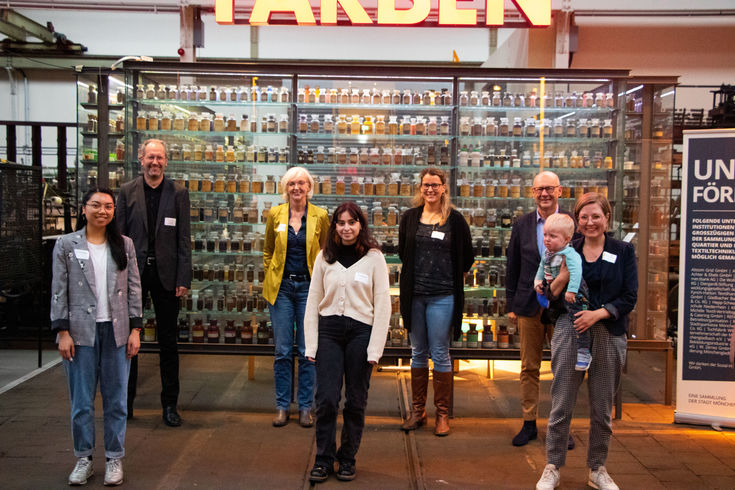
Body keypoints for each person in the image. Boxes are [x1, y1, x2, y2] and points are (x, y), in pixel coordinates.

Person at [536, 193, 638, 490]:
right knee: (561, 403)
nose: (590, 222)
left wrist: (597, 315)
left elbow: (629, 296)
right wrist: (560, 277)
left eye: (596, 216)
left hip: (608, 331)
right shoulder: (567, 249)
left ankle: (597, 469)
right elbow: (549, 295)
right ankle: (552, 466)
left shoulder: (623, 251)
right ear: (576, 221)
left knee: (601, 408)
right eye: (584, 217)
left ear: (607, 218)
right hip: (571, 329)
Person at [51, 188, 142, 486]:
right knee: (81, 401)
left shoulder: (124, 244)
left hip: (116, 332)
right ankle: (84, 458)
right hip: (80, 333)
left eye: (108, 206)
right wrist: (62, 332)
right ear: (83, 208)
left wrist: (135, 329)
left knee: (117, 400)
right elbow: (59, 290)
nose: (102, 211)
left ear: (114, 211)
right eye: (96, 205)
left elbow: (134, 289)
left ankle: (115, 457)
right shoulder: (66, 244)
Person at [304, 202, 391, 483]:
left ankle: (347, 458)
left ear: (361, 225)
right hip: (329, 330)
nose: (346, 228)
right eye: (341, 223)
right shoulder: (324, 257)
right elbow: (312, 302)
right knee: (327, 399)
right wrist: (311, 345)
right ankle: (323, 458)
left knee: (355, 401)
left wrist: (375, 349)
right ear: (334, 227)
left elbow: (383, 305)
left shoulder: (375, 258)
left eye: (352, 222)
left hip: (361, 334)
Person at [117, 139, 191, 427]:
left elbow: (184, 238)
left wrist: (183, 277)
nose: (155, 162)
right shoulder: (126, 191)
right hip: (133, 274)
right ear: (141, 159)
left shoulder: (178, 193)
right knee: (128, 340)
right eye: (150, 157)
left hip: (167, 276)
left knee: (169, 343)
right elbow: (119, 237)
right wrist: (118, 276)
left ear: (166, 161)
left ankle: (170, 405)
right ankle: (126, 403)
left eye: (160, 157)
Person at [399, 167, 474, 437]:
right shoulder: (409, 218)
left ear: (444, 188)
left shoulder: (455, 220)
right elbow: (402, 252)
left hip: (443, 296)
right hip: (415, 296)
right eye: (426, 185)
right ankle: (417, 411)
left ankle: (442, 414)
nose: (430, 189)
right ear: (420, 188)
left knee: (440, 353)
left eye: (435, 185)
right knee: (418, 351)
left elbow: (467, 257)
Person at [506, 170, 575, 449]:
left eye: (549, 189)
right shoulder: (522, 224)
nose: (544, 194)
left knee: (563, 368)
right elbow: (513, 265)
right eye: (539, 190)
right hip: (529, 304)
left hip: (563, 307)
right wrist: (511, 304)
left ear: (560, 190)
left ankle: (561, 426)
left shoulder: (572, 222)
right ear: (532, 193)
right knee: (529, 367)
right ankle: (529, 423)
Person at [263, 166, 330, 428]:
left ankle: (305, 407)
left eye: (301, 183)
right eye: (292, 184)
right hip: (281, 290)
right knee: (281, 351)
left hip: (308, 289)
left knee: (307, 351)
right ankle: (281, 406)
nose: (297, 188)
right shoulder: (276, 214)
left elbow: (326, 253)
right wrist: (273, 275)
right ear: (286, 188)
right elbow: (268, 250)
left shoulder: (321, 215)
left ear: (309, 188)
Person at [534, 213, 591, 371]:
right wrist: (537, 282)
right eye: (545, 235)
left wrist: (572, 291)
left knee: (578, 321)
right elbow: (541, 268)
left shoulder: (570, 254)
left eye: (552, 236)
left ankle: (583, 351)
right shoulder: (548, 253)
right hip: (558, 294)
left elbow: (576, 272)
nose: (547, 239)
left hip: (576, 293)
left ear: (566, 239)